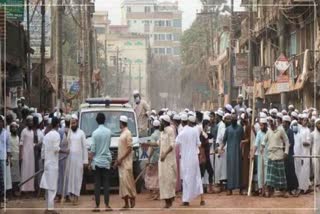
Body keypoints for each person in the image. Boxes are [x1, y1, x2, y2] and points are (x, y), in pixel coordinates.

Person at [144, 115, 177, 208]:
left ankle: (169, 201)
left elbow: (172, 145)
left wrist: (165, 154)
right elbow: (157, 143)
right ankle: (167, 200)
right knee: (163, 180)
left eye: (161, 122)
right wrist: (147, 143)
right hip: (162, 161)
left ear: (165, 122)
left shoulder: (170, 130)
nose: (160, 124)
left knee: (169, 180)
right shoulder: (162, 133)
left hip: (169, 160)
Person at [40, 117, 69, 214]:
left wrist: (46, 161)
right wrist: (65, 151)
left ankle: (48, 207)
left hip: (47, 164)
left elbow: (43, 153)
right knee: (52, 187)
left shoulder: (46, 135)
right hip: (53, 164)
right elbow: (56, 148)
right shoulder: (56, 135)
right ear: (57, 125)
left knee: (48, 186)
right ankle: (50, 209)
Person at [176, 115, 204, 206]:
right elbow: (199, 144)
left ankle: (186, 200)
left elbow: (176, 143)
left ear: (188, 122)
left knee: (186, 178)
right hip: (194, 158)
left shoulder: (182, 131)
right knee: (197, 177)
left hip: (185, 159)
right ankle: (202, 199)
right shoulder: (195, 131)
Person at [89, 113, 112, 212]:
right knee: (106, 184)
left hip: (97, 162)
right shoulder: (109, 132)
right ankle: (107, 205)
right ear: (104, 120)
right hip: (106, 161)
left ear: (97, 121)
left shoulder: (94, 133)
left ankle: (97, 206)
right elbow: (108, 146)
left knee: (97, 184)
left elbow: (93, 150)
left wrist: (90, 162)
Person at [261, 117, 289, 198]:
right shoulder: (269, 131)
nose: (271, 125)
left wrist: (286, 152)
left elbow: (286, 141)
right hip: (271, 155)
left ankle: (283, 191)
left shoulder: (281, 130)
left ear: (275, 123)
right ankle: (269, 191)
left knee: (281, 174)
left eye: (272, 124)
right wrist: (262, 146)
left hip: (279, 154)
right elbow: (264, 140)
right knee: (270, 175)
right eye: (270, 124)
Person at [113, 115, 137, 209]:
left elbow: (129, 148)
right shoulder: (122, 133)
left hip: (126, 163)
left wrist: (121, 159)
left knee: (127, 182)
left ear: (121, 123)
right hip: (121, 163)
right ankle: (126, 203)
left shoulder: (128, 133)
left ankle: (132, 197)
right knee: (122, 184)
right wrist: (117, 160)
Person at [219, 112, 244, 195]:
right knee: (230, 170)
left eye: (234, 119)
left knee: (239, 170)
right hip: (230, 153)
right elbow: (224, 141)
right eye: (232, 119)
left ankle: (240, 188)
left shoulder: (240, 128)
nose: (233, 120)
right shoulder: (228, 129)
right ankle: (230, 189)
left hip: (238, 153)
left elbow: (243, 140)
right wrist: (220, 148)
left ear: (236, 120)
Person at [67, 114, 88, 205]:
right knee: (71, 178)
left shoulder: (81, 133)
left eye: (74, 123)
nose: (73, 125)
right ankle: (71, 195)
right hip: (70, 161)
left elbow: (84, 147)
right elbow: (68, 145)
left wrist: (85, 161)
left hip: (79, 160)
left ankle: (76, 196)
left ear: (77, 123)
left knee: (78, 178)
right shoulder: (69, 133)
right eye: (72, 123)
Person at [294, 114, 312, 194]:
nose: (304, 122)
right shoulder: (300, 129)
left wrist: (303, 142)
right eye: (303, 120)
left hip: (306, 153)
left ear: (307, 122)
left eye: (305, 120)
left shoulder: (308, 130)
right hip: (300, 152)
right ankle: (301, 187)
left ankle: (306, 188)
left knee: (305, 169)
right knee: (301, 170)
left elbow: (308, 143)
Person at [282, 116, 299, 196]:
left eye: (284, 122)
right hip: (284, 154)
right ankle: (288, 188)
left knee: (291, 171)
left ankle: (294, 188)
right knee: (286, 172)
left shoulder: (290, 131)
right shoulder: (284, 131)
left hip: (289, 154)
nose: (283, 123)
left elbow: (291, 143)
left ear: (288, 123)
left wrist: (285, 146)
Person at [144, 120, 161, 200]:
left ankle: (155, 193)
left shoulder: (153, 135)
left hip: (154, 158)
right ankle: (157, 193)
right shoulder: (161, 134)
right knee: (158, 175)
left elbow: (152, 148)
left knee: (152, 175)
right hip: (161, 157)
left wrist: (149, 158)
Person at [252, 117, 268, 196]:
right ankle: (261, 189)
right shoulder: (259, 133)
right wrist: (252, 153)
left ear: (265, 125)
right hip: (260, 155)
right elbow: (255, 144)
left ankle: (266, 189)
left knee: (266, 173)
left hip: (268, 155)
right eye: (260, 125)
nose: (261, 127)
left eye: (262, 126)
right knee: (260, 173)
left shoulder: (269, 132)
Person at [56, 116, 71, 202]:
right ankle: (60, 194)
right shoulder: (61, 132)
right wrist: (64, 151)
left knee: (67, 176)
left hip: (68, 158)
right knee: (61, 176)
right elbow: (58, 146)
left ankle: (67, 194)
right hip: (61, 157)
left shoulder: (71, 131)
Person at [20, 115, 35, 194]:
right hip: (25, 154)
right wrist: (21, 155)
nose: (31, 123)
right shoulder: (24, 131)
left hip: (31, 154)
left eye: (32, 121)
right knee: (25, 170)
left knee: (31, 170)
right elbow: (21, 143)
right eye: (29, 121)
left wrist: (36, 144)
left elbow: (31, 144)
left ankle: (30, 188)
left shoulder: (32, 132)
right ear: (27, 122)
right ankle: (24, 188)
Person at [200, 115, 214, 193]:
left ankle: (209, 188)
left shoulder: (205, 134)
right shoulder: (202, 135)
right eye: (208, 125)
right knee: (201, 174)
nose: (208, 127)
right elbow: (201, 146)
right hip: (204, 157)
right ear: (205, 126)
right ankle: (201, 188)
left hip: (207, 157)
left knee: (210, 172)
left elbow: (210, 136)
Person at [214, 110, 227, 192]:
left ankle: (222, 184)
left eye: (216, 116)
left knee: (222, 167)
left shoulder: (222, 125)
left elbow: (221, 137)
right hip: (220, 147)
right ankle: (220, 183)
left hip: (222, 147)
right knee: (219, 166)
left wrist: (218, 146)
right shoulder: (219, 125)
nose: (215, 117)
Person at [240, 113, 250, 193]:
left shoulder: (248, 126)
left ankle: (246, 187)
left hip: (247, 149)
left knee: (246, 168)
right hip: (244, 149)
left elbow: (249, 139)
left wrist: (242, 141)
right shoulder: (245, 126)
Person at [0, 115, 9, 206]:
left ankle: (3, 196)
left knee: (2, 178)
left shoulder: (6, 133)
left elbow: (8, 146)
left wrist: (7, 158)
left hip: (2, 157)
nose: (0, 123)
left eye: (1, 121)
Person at [9, 122, 20, 197]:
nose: (14, 128)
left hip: (17, 158)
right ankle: (10, 192)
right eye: (13, 127)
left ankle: (15, 191)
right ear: (10, 129)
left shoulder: (17, 137)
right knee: (11, 176)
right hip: (11, 158)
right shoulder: (8, 137)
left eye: (15, 127)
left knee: (16, 176)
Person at [311, 119, 320, 189]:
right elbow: (310, 145)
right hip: (315, 153)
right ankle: (317, 183)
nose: (319, 125)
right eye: (318, 124)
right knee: (316, 168)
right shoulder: (312, 134)